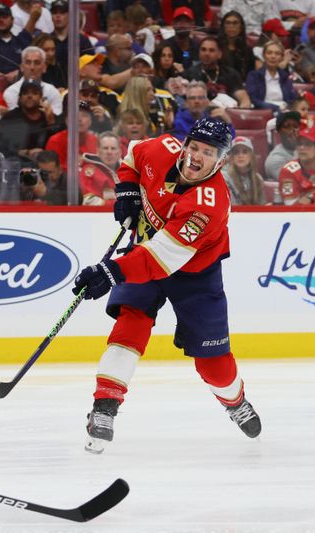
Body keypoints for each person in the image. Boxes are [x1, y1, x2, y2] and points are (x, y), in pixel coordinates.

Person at [72, 117, 262, 454]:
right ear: (185, 144)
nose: (196, 156)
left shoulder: (209, 204)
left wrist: (109, 271)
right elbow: (133, 157)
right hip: (145, 252)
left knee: (213, 364)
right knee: (132, 321)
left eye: (208, 152)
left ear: (221, 161)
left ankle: (235, 400)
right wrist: (128, 192)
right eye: (194, 146)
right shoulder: (161, 148)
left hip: (194, 275)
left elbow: (157, 260)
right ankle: (105, 407)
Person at [0, 78, 58, 161]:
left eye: (34, 93)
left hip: (44, 164)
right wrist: (26, 152)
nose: (29, 96)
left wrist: (51, 123)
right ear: (20, 98)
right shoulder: (10, 118)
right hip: (17, 163)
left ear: (41, 98)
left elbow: (58, 146)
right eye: (25, 93)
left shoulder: (49, 117)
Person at [183, 37, 251, 109]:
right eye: (203, 50)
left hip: (229, 113)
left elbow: (242, 96)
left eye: (211, 50)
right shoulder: (190, 74)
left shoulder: (231, 74)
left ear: (219, 54)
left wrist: (243, 106)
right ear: (199, 53)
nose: (207, 53)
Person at [3, 46, 63, 116]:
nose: (32, 67)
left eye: (37, 63)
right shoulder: (11, 92)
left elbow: (57, 119)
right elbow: (14, 119)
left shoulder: (52, 91)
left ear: (44, 68)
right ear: (22, 67)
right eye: (28, 63)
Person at [45, 100, 97, 171]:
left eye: (84, 115)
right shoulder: (55, 141)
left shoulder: (95, 141)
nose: (79, 119)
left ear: (90, 122)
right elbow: (54, 171)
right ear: (67, 121)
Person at [245, 41, 296, 112]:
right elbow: (253, 99)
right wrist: (276, 108)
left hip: (285, 113)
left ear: (282, 57)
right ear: (264, 55)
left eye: (277, 54)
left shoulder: (285, 76)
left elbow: (292, 99)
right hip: (263, 112)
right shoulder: (254, 76)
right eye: (269, 53)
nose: (273, 56)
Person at [79, 131, 120, 206]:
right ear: (98, 151)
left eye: (113, 148)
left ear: (119, 152)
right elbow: (90, 202)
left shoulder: (127, 172)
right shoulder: (89, 171)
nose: (109, 152)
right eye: (105, 148)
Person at [222, 136, 266, 205]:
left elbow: (262, 207)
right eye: (236, 152)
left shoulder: (258, 178)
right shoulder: (225, 178)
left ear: (251, 156)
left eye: (245, 152)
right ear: (232, 157)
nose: (240, 156)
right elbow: (232, 207)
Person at [265, 110, 301, 180]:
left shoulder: (308, 150)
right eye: (287, 126)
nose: (292, 130)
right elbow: (294, 183)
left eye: (296, 126)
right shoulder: (275, 160)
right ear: (278, 132)